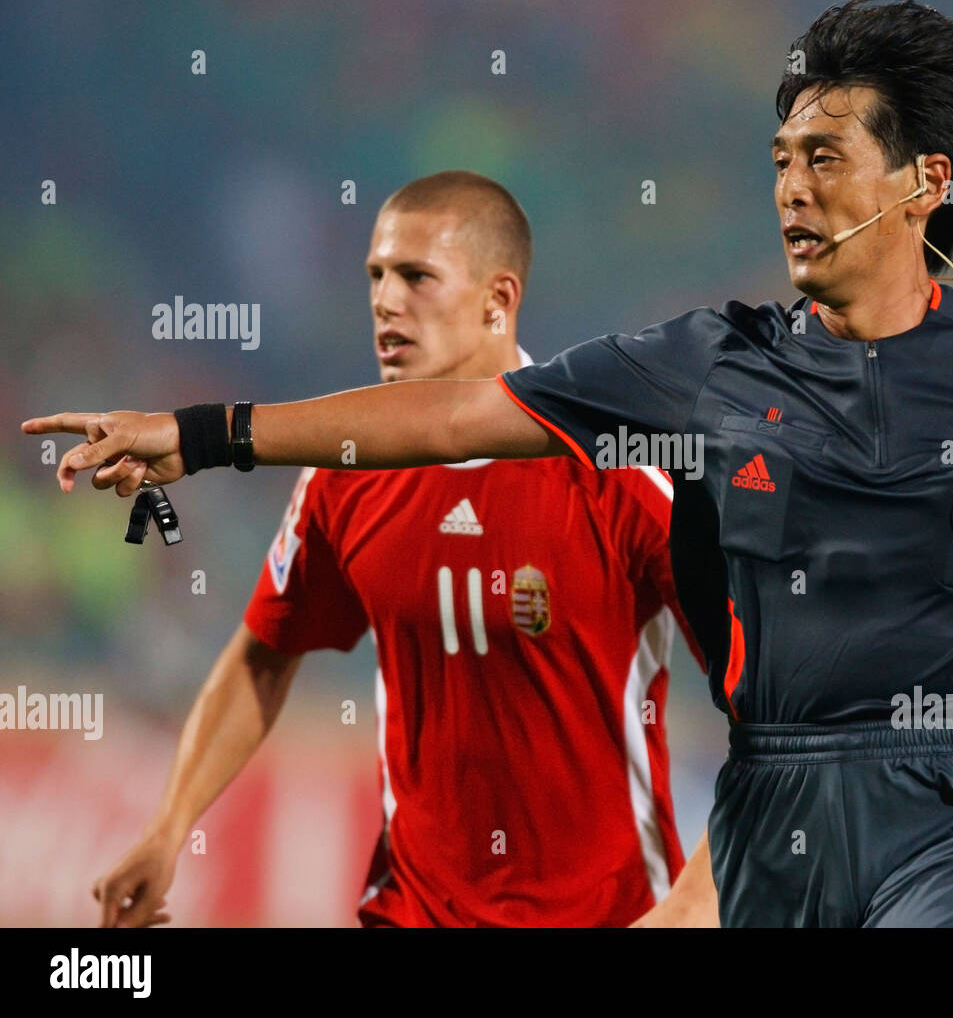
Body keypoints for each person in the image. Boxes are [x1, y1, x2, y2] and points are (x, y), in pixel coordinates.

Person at [30, 0, 953, 928]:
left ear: (923, 181)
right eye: (779, 160)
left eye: (823, 158)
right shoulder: (704, 365)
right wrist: (200, 438)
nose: (789, 190)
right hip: (769, 808)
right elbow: (452, 425)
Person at [84, 171, 716, 928]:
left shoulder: (614, 470)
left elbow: (768, 711)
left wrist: (695, 901)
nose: (386, 300)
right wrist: (167, 827)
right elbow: (262, 656)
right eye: (376, 275)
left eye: (417, 276)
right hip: (411, 912)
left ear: (498, 299)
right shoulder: (343, 475)